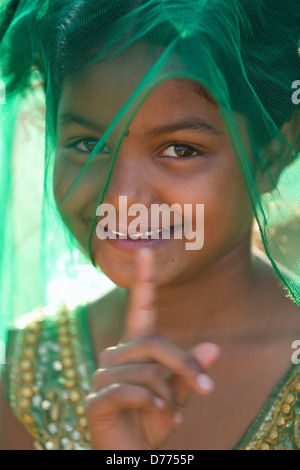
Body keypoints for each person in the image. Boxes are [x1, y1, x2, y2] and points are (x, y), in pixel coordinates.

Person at [0, 0, 300, 450]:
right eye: (88, 143)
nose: (121, 198)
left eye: (180, 150)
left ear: (270, 155)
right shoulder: (28, 375)